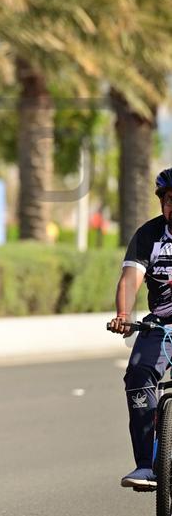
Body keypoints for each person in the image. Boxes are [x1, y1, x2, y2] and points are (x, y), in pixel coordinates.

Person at [108, 167, 172, 490]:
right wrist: (123, 313)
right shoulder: (149, 235)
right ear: (162, 202)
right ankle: (147, 464)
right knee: (137, 374)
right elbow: (130, 279)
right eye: (170, 200)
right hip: (160, 325)